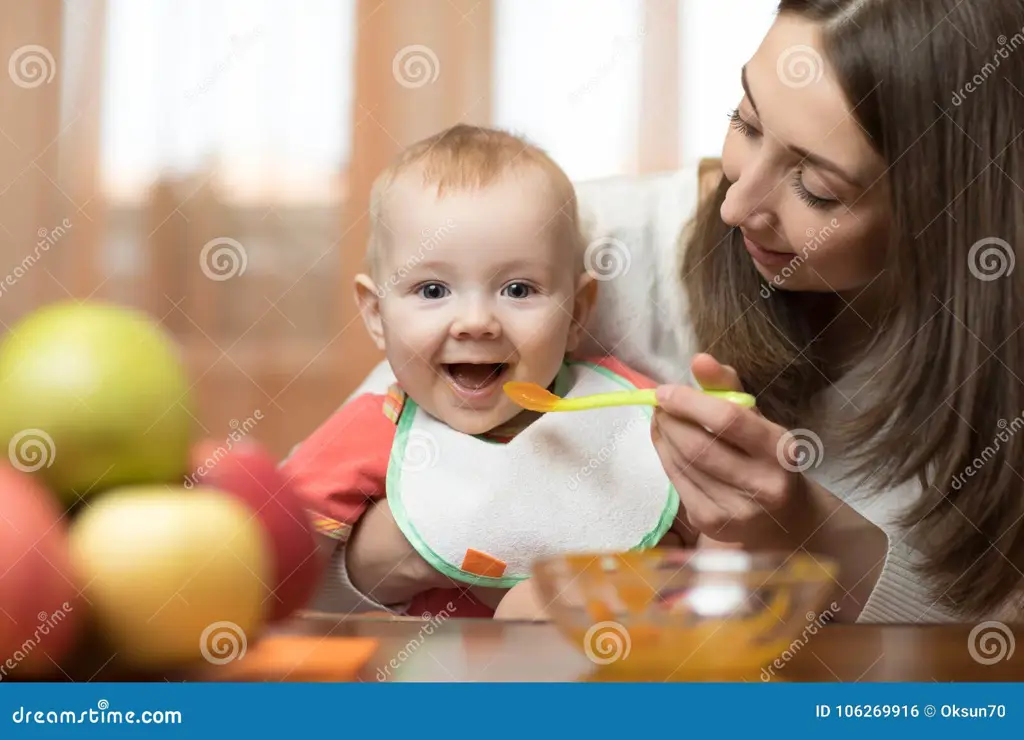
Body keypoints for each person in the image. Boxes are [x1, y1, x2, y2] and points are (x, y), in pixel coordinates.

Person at [280, 124, 688, 619]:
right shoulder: (376, 430)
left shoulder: (623, 407)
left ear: (578, 313)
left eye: (518, 290)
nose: (476, 322)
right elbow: (276, 563)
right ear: (375, 315)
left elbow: (719, 531)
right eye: (433, 291)